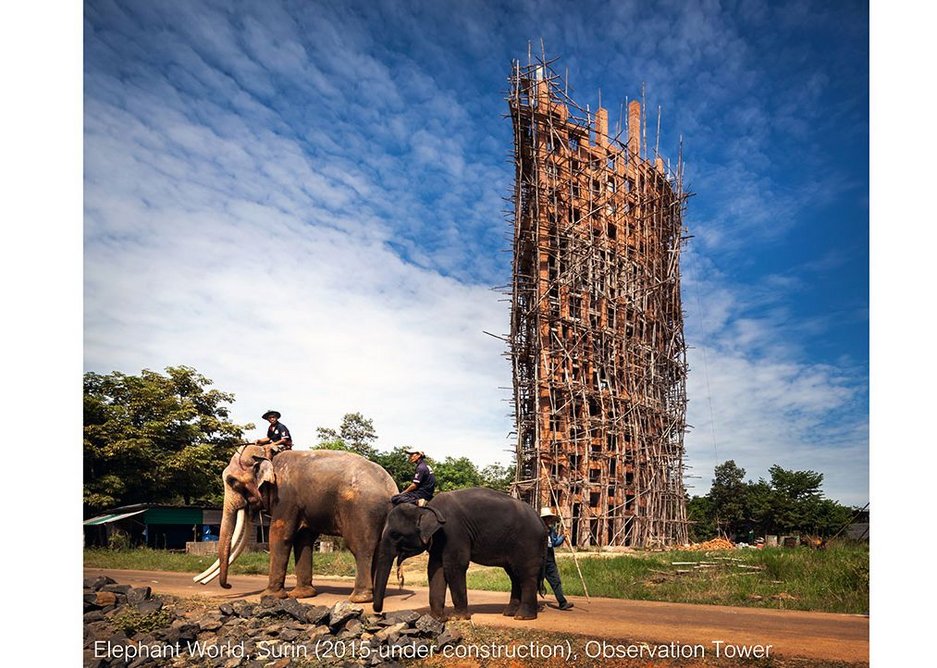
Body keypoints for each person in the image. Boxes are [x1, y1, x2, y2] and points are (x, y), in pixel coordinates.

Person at [540, 507, 574, 610]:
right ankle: (529, 602)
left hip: (549, 557)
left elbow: (555, 543)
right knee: (535, 581)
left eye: (550, 518)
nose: (549, 520)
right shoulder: (537, 530)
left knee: (555, 580)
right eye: (547, 518)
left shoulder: (551, 530)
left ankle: (562, 603)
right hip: (539, 556)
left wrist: (563, 536)